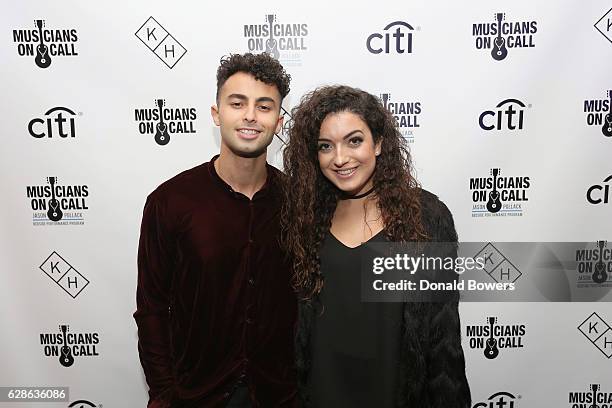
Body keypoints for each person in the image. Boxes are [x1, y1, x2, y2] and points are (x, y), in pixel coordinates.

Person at [281, 85, 471, 407]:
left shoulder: (426, 218)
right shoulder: (307, 219)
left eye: (354, 141)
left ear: (379, 143)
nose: (340, 159)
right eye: (325, 146)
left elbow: (443, 339)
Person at [134, 53, 297, 408]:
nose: (250, 115)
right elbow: (152, 310)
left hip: (278, 396)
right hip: (196, 397)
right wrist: (165, 395)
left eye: (264, 106)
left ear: (279, 122)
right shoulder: (170, 202)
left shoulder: (298, 202)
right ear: (216, 114)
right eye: (237, 103)